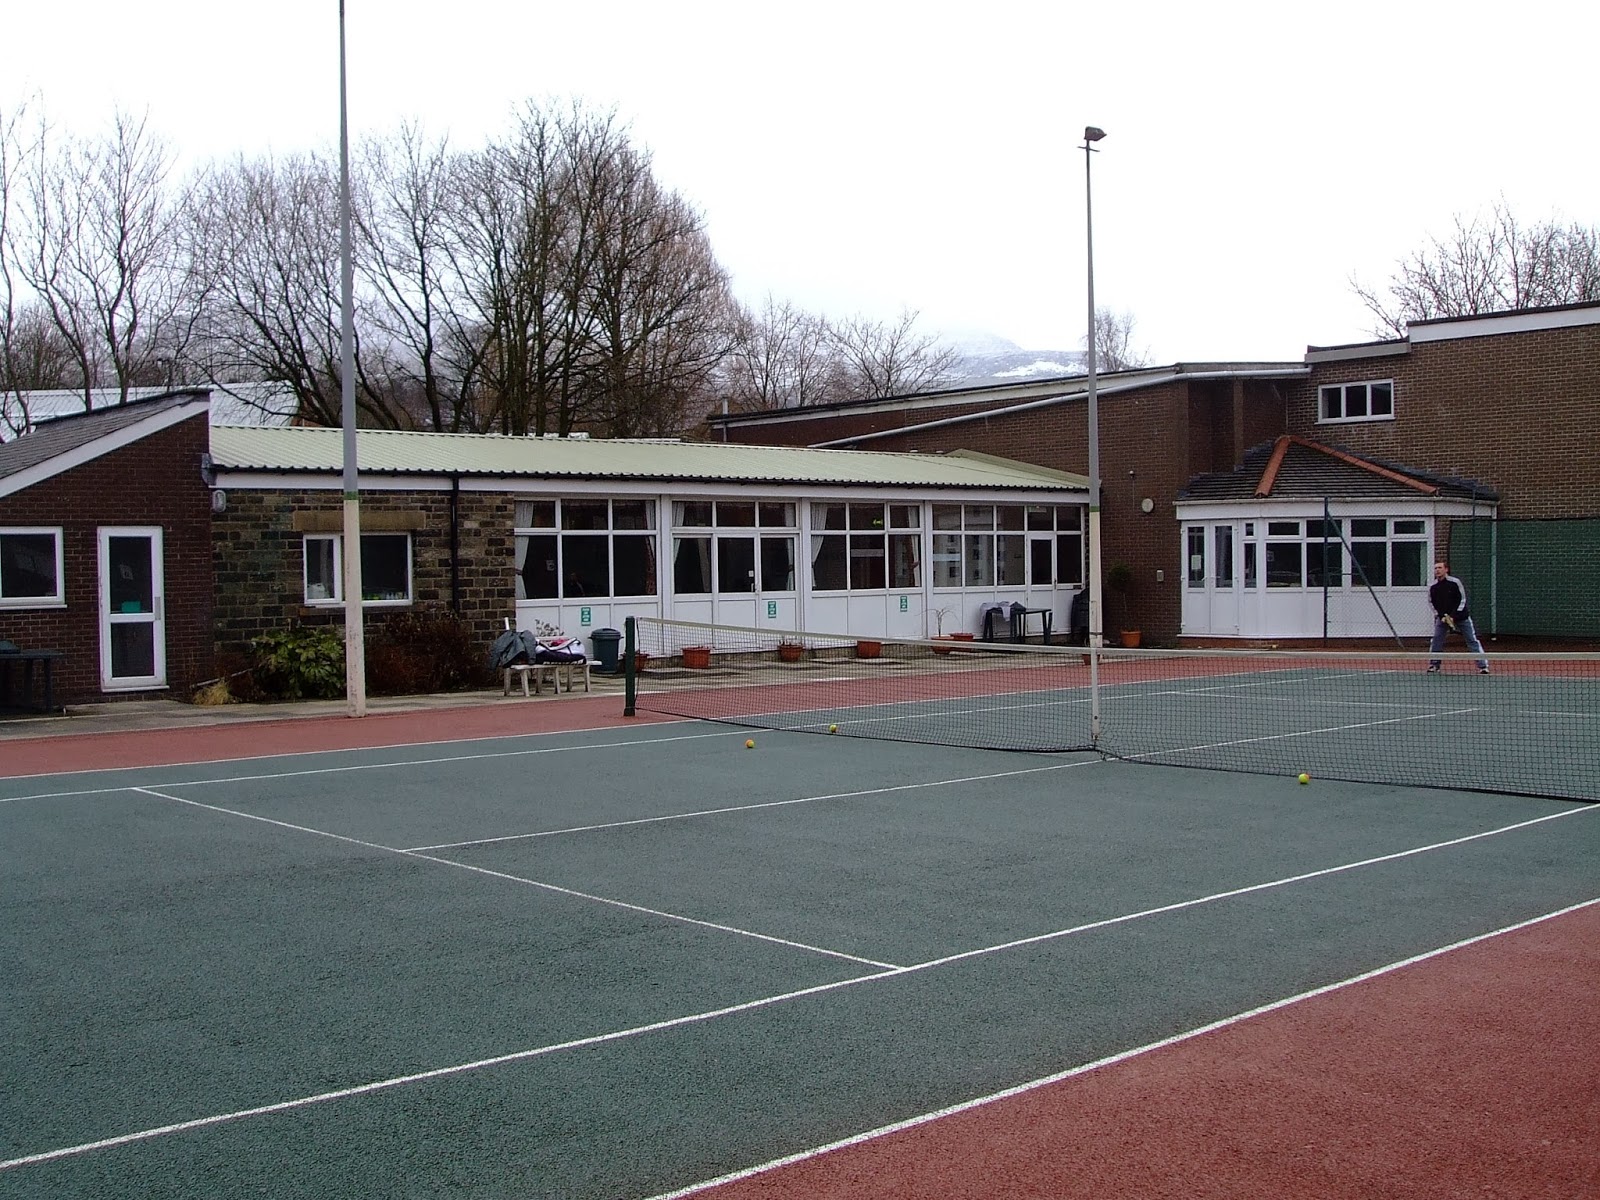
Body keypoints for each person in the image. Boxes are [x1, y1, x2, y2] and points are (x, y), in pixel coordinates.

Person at [1427, 561, 1489, 674]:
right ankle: (1434, 665)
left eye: (1440, 568)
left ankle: (1483, 666)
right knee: (1436, 639)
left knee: (1471, 640)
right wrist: (1441, 616)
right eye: (1436, 568)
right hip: (1442, 619)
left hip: (1462, 617)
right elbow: (1431, 602)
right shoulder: (1433, 587)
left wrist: (1453, 616)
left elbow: (1462, 599)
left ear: (1446, 569)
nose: (1437, 570)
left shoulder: (1455, 582)